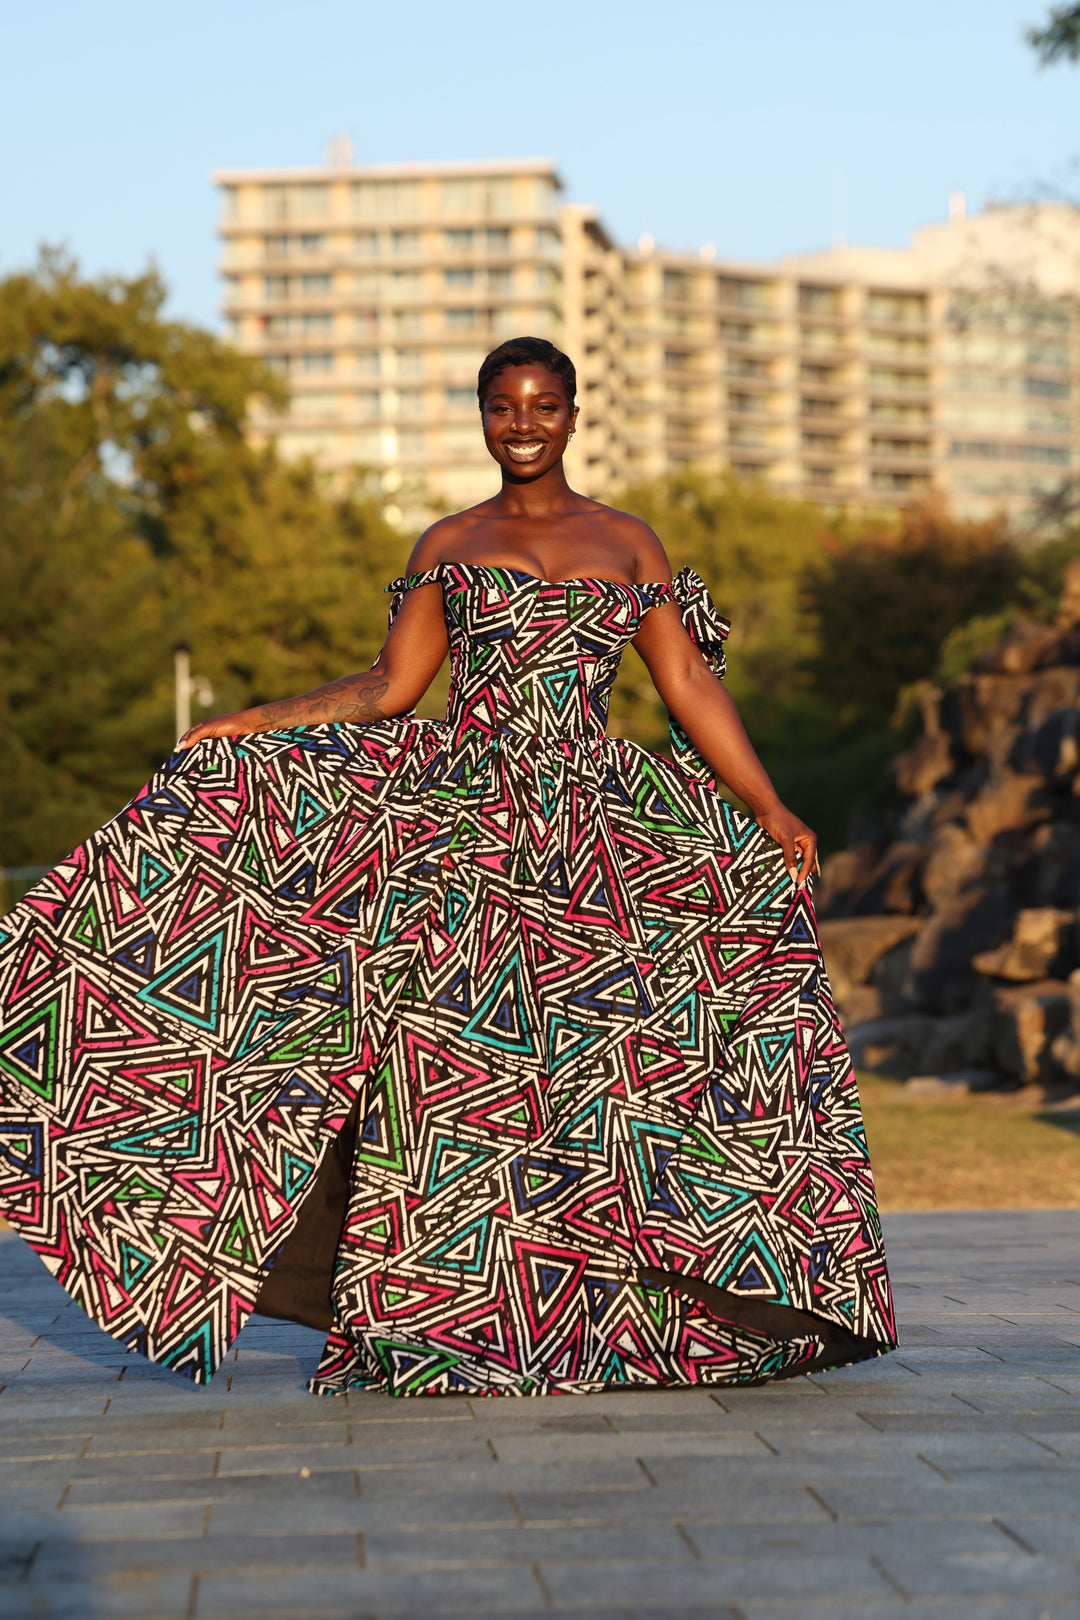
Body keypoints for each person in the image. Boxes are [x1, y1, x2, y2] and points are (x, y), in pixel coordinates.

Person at [0, 337, 895, 1395]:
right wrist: (253, 722)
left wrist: (768, 804)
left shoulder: (628, 542)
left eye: (545, 406)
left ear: (574, 416)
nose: (525, 425)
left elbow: (689, 684)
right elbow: (391, 687)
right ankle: (444, 1313)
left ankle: (646, 1300)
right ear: (482, 415)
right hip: (463, 830)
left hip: (594, 833)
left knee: (618, 1063)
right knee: (459, 1076)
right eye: (504, 406)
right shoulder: (450, 541)